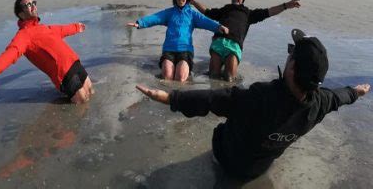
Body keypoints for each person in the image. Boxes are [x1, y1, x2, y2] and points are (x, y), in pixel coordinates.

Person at [137, 28, 370, 180]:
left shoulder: (261, 96)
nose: (288, 55)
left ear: (291, 67)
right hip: (259, 169)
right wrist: (356, 92)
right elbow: (340, 96)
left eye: (291, 52)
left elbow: (213, 100)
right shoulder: (320, 102)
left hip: (226, 159)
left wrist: (171, 98)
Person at [0, 0, 94, 104]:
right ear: (21, 14)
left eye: (33, 2)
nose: (33, 5)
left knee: (91, 92)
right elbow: (12, 51)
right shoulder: (23, 35)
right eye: (28, 5)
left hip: (75, 63)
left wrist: (77, 27)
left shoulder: (45, 28)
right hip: (64, 74)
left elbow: (62, 29)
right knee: (81, 103)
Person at [191, 0, 301, 81]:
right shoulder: (225, 9)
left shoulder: (248, 14)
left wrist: (286, 5)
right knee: (213, 77)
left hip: (234, 46)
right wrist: (193, 1)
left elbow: (269, 12)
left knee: (229, 78)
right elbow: (207, 12)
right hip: (218, 42)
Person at [127, 0, 229, 82]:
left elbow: (206, 22)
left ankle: (179, 95)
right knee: (167, 76)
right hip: (169, 50)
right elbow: (155, 18)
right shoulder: (169, 13)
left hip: (185, 50)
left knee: (180, 78)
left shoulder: (192, 14)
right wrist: (140, 23)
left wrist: (218, 27)